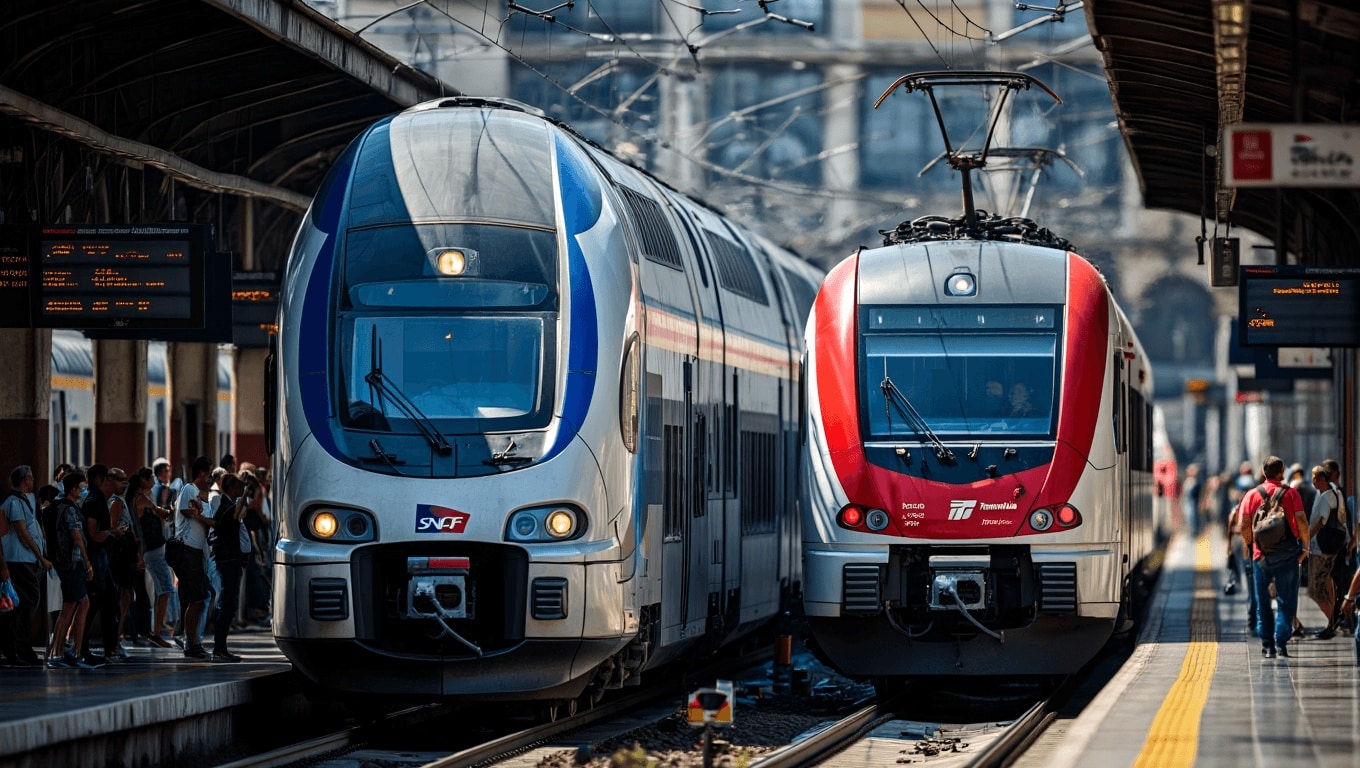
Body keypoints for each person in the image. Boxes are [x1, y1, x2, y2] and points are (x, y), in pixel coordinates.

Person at [1239, 455, 1309, 658]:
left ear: (1263, 473)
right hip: (1288, 556)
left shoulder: (1251, 495)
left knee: (1262, 603)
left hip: (1261, 557)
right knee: (1286, 601)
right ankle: (1281, 642)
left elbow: (1244, 525)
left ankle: (1267, 645)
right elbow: (1302, 521)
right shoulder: (1291, 493)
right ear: (1283, 470)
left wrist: (1251, 546)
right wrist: (1305, 547)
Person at [46, 472, 102, 669]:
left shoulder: (56, 506)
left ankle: (58, 653)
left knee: (69, 607)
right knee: (83, 603)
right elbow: (77, 538)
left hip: (63, 563)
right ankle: (74, 652)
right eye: (81, 487)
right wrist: (88, 564)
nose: (83, 490)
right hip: (73, 562)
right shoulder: (70, 509)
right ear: (73, 489)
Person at [2, 465, 50, 667]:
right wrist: (41, 557)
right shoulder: (13, 502)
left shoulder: (25, 500)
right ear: (24, 481)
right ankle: (20, 647)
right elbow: (22, 533)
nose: (33, 482)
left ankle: (13, 647)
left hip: (26, 560)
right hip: (19, 560)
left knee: (23, 604)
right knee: (27, 603)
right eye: (30, 478)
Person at [171, 456, 216, 661]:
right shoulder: (189, 489)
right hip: (188, 550)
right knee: (196, 599)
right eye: (208, 473)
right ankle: (191, 643)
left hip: (198, 552)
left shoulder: (202, 496)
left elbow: (207, 519)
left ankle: (193, 641)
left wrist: (201, 512)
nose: (210, 478)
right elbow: (189, 512)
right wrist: (199, 512)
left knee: (201, 597)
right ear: (201, 473)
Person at [79, 464, 120, 664]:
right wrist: (112, 533)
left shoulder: (97, 499)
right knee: (94, 604)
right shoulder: (94, 501)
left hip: (101, 556)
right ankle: (82, 647)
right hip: (96, 556)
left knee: (107, 603)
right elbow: (93, 534)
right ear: (99, 479)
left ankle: (108, 648)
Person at [131, 468, 174, 648]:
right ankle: (156, 632)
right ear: (144, 480)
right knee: (165, 589)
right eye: (151, 479)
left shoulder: (143, 499)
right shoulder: (141, 500)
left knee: (158, 591)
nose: (155, 483)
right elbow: (159, 513)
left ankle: (153, 630)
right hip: (153, 551)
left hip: (154, 549)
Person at [208, 473, 249, 662]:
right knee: (227, 603)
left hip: (229, 560)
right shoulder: (226, 507)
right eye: (239, 488)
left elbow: (240, 512)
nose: (240, 491)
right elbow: (235, 513)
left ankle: (221, 648)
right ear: (232, 488)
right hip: (228, 561)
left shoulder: (227, 506)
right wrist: (247, 491)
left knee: (227, 602)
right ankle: (219, 648)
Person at [1307, 465, 1345, 639]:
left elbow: (1319, 523)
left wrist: (1305, 540)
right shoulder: (1336, 494)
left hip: (1321, 548)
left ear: (1322, 479)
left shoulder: (1325, 497)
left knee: (1315, 589)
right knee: (1326, 585)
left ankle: (1332, 622)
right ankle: (1332, 622)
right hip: (1333, 547)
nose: (1313, 481)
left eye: (1315, 478)